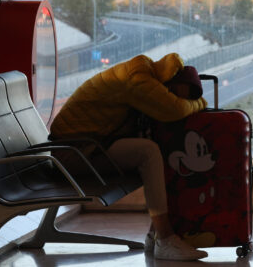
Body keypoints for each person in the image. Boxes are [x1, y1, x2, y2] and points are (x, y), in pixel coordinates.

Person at [50, 53, 208, 261]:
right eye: (172, 92)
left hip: (87, 146)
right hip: (71, 155)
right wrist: (199, 104)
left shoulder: (143, 69)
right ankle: (166, 238)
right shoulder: (138, 78)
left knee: (160, 151)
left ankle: (156, 235)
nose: (171, 97)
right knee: (148, 153)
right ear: (167, 82)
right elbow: (175, 109)